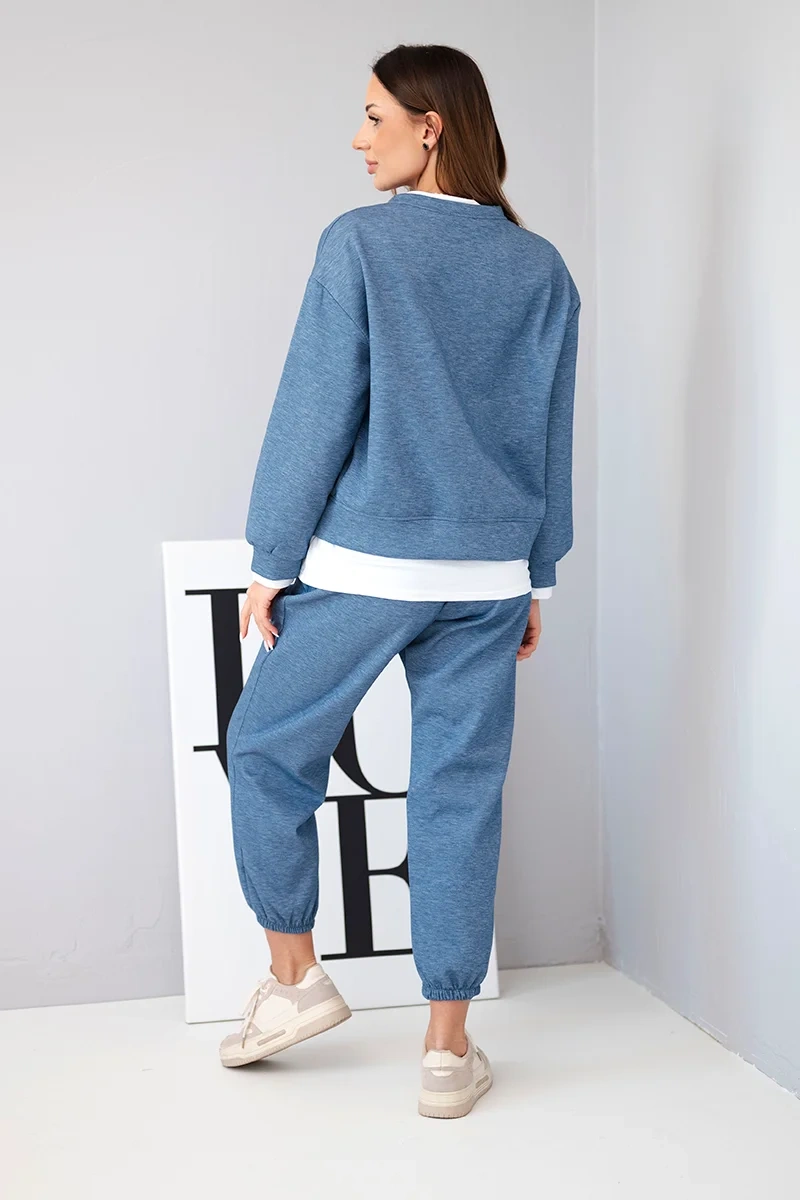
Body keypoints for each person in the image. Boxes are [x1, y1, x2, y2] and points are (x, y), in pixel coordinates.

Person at [220, 43, 580, 1120]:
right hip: (488, 576)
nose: (356, 136)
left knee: (267, 749)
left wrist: (271, 559)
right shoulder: (542, 267)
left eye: (373, 115)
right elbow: (550, 435)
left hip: (368, 566)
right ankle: (445, 1052)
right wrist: (536, 579)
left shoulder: (362, 244)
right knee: (459, 796)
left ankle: (296, 982)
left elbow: (314, 406)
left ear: (431, 126)